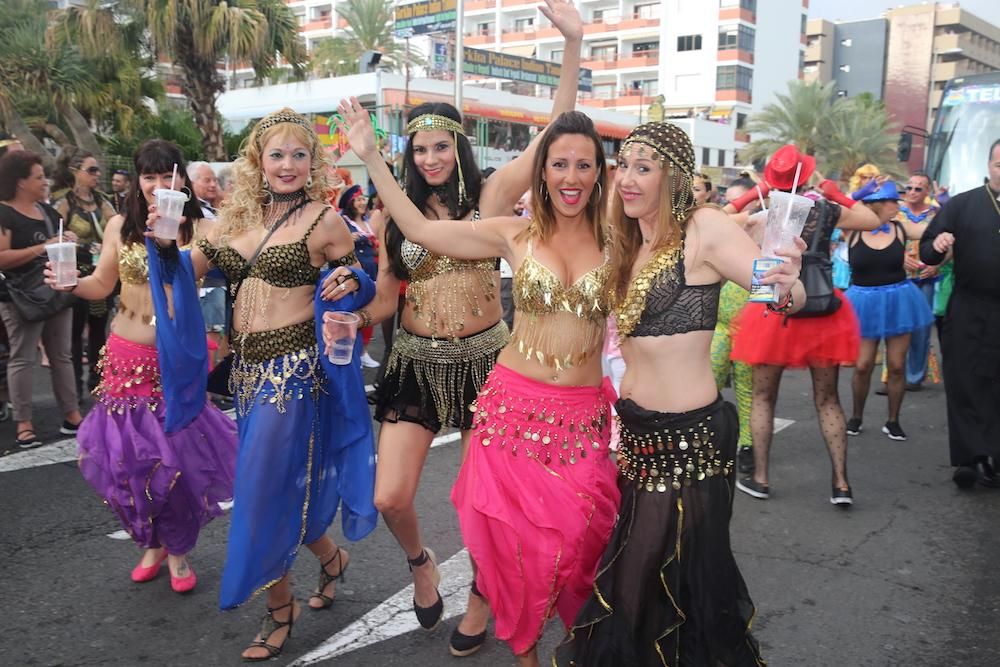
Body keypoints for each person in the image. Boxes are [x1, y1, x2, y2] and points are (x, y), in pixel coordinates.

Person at [323, 1, 585, 657]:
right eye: (421, 147)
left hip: (486, 364)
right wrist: (353, 316)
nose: (432, 155)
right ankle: (421, 561)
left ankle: (481, 596)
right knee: (391, 494)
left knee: (485, 506)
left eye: (442, 144)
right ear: (408, 154)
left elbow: (552, 137)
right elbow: (386, 295)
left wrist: (574, 44)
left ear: (459, 147)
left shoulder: (491, 201)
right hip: (412, 358)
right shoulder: (397, 215)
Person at [342, 97, 621, 667]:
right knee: (494, 524)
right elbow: (418, 229)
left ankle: (500, 606)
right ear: (544, 173)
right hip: (500, 397)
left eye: (584, 165)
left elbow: (681, 260)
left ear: (600, 173)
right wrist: (371, 157)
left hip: (569, 407)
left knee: (579, 539)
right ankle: (520, 646)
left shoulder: (619, 239)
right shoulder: (514, 233)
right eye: (559, 165)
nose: (571, 176)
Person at [554, 122, 803, 667]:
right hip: (638, 440)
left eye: (645, 168)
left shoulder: (705, 229)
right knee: (659, 589)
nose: (628, 180)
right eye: (625, 167)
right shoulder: (629, 242)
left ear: (675, 178)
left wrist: (788, 281)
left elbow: (781, 289)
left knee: (644, 582)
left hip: (688, 442)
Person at [179, 108, 377, 661]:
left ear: (312, 163)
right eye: (276, 154)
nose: (287, 164)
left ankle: (278, 606)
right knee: (275, 484)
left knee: (260, 487)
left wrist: (349, 281)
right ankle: (330, 557)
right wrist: (161, 244)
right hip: (244, 375)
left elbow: (360, 281)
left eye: (298, 154)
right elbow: (183, 270)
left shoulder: (324, 219)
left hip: (293, 374)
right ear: (258, 163)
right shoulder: (234, 220)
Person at [45, 140, 236, 593]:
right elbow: (101, 284)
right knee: (127, 463)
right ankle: (150, 541)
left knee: (170, 463)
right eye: (148, 177)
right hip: (121, 356)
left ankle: (179, 548)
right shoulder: (117, 226)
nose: (156, 185)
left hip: (170, 363)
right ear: (137, 180)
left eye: (167, 176)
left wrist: (169, 240)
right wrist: (69, 283)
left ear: (182, 183)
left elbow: (190, 277)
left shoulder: (205, 230)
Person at [729, 144, 880, 507]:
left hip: (772, 311)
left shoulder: (761, 213)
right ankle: (841, 483)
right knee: (828, 398)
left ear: (772, 178)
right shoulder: (826, 209)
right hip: (820, 308)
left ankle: (761, 478)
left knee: (764, 397)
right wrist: (836, 192)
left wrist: (756, 193)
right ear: (806, 173)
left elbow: (719, 218)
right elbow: (871, 221)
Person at [919, 138, 1000, 489]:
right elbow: (926, 248)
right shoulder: (964, 204)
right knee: (967, 382)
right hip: (970, 306)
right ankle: (973, 457)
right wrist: (936, 247)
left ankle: (993, 452)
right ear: (989, 166)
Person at [0, 150, 82, 447]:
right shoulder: (4, 213)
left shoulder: (48, 212)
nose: (44, 181)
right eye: (37, 177)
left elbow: (60, 238)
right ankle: (24, 422)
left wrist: (68, 239)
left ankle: (72, 414)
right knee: (23, 358)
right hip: (20, 297)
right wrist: (45, 247)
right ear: (20, 182)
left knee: (62, 355)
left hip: (55, 291)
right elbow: (2, 257)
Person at [843, 182, 933, 441]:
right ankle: (857, 416)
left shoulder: (901, 228)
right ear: (878, 203)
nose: (899, 204)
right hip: (863, 302)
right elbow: (837, 206)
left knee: (896, 366)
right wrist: (861, 192)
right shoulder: (852, 229)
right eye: (894, 200)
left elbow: (933, 229)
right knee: (862, 366)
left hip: (899, 300)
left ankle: (893, 420)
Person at [51, 148, 117, 395]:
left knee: (100, 330)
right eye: (91, 170)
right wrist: (67, 237)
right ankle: (75, 387)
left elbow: (117, 225)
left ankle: (98, 381)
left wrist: (109, 241)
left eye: (97, 169)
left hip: (101, 272)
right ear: (75, 172)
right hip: (75, 275)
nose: (97, 174)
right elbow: (53, 233)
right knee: (75, 333)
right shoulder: (64, 201)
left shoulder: (102, 200)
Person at [712, 176, 759, 474]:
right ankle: (709, 439)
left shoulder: (765, 234)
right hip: (717, 326)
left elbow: (771, 291)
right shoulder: (717, 232)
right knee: (708, 384)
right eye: (727, 198)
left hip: (750, 328)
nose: (730, 204)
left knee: (746, 389)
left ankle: (747, 445)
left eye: (738, 199)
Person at [897, 171, 940, 391]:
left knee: (922, 328)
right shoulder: (895, 212)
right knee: (897, 327)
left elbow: (950, 243)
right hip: (898, 278)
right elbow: (882, 238)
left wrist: (937, 264)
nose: (912, 192)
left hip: (926, 279)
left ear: (927, 192)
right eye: (909, 187)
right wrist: (900, 257)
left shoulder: (937, 215)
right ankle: (894, 375)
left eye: (918, 188)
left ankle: (914, 377)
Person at [338, 183, 380, 367]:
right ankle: (353, 352)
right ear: (350, 202)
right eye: (359, 199)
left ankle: (364, 352)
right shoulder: (342, 222)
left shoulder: (367, 220)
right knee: (352, 312)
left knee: (370, 312)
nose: (363, 202)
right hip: (354, 274)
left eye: (364, 199)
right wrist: (348, 239)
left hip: (372, 269)